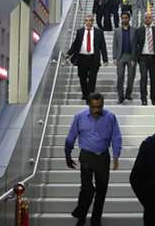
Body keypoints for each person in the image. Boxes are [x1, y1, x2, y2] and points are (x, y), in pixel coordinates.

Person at [65, 93, 122, 226]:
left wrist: (116, 156)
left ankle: (96, 219)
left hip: (103, 156)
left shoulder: (110, 117)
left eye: (100, 106)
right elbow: (71, 136)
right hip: (86, 156)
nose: (97, 109)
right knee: (87, 188)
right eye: (94, 107)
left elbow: (116, 137)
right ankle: (82, 215)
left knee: (102, 189)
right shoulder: (79, 117)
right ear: (89, 105)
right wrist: (68, 154)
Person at [67, 14, 109, 100]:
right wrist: (69, 53)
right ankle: (85, 94)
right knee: (82, 77)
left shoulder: (99, 32)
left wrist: (105, 59)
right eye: (86, 21)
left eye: (90, 20)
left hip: (94, 58)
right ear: (84, 22)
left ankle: (91, 96)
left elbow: (103, 46)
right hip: (82, 58)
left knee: (92, 78)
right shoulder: (80, 31)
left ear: (93, 22)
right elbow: (75, 44)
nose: (88, 22)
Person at [133, 12, 155, 105]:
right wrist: (134, 58)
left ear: (152, 19)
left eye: (149, 17)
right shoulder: (139, 30)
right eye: (146, 17)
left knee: (154, 79)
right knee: (143, 78)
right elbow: (135, 45)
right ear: (144, 19)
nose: (148, 19)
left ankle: (154, 98)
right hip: (143, 57)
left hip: (154, 58)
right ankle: (143, 99)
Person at [113, 12, 137, 104]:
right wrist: (114, 57)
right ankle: (120, 97)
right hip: (120, 56)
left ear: (129, 19)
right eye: (123, 18)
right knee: (120, 76)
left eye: (126, 18)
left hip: (131, 56)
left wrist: (134, 58)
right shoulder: (117, 31)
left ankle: (128, 94)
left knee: (131, 77)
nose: (124, 19)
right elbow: (115, 44)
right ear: (120, 19)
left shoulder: (134, 30)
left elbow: (136, 45)